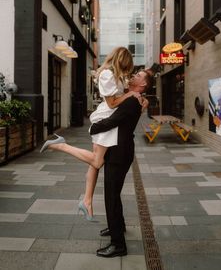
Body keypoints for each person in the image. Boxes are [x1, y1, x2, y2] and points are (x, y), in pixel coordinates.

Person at [40, 47, 142, 220]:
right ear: (121, 61)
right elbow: (111, 103)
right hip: (106, 118)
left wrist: (132, 95)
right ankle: (61, 145)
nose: (127, 71)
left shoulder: (114, 74)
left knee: (94, 163)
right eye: (126, 67)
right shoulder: (107, 75)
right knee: (97, 160)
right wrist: (131, 94)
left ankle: (87, 202)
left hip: (110, 119)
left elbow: (118, 99)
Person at [89, 69, 153, 258]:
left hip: (119, 152)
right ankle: (118, 227)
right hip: (121, 150)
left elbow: (112, 121)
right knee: (114, 193)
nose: (134, 76)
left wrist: (94, 127)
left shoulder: (133, 100)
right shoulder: (131, 97)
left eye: (139, 76)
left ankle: (118, 245)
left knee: (111, 196)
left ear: (143, 85)